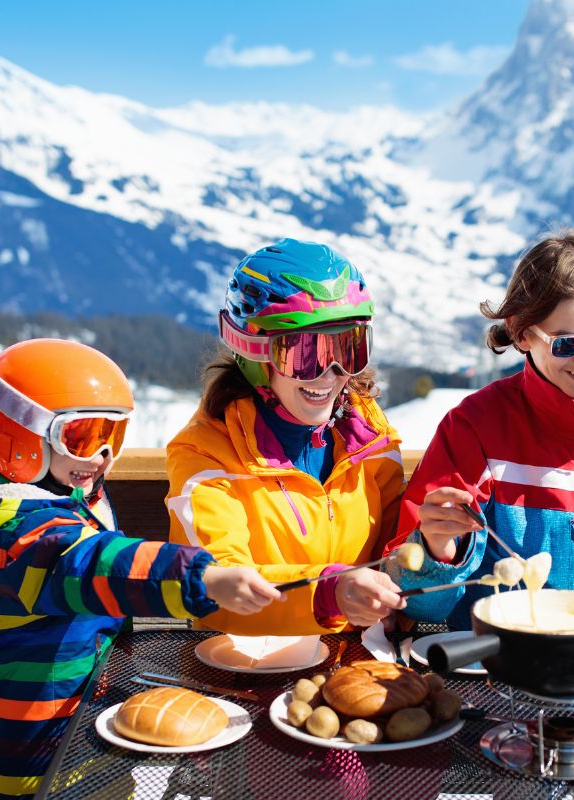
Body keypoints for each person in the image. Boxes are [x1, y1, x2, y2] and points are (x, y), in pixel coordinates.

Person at [0, 338, 280, 800]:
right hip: (42, 774)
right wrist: (202, 576)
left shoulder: (65, 506)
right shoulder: (22, 537)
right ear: (21, 436)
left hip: (86, 750)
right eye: (82, 436)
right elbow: (95, 565)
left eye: (113, 436)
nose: (102, 456)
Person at [385, 229, 574, 629]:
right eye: (568, 343)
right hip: (506, 663)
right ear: (522, 333)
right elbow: (418, 605)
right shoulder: (476, 428)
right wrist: (437, 549)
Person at [166, 238, 407, 635]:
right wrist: (326, 593)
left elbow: (394, 540)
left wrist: (432, 544)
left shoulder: (366, 433)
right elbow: (217, 582)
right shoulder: (207, 452)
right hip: (248, 666)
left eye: (348, 349)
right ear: (255, 354)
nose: (329, 374)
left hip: (358, 657)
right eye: (305, 354)